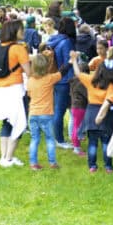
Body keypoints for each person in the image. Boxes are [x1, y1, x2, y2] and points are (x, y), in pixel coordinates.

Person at [0, 20, 31, 167]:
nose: (23, 31)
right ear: (14, 31)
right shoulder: (19, 49)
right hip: (15, 90)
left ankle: (4, 157)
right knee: (19, 123)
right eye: (21, 29)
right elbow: (29, 72)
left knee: (7, 123)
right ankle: (8, 157)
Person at [26, 53, 62, 170]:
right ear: (46, 66)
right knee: (50, 138)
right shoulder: (49, 78)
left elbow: (29, 95)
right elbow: (62, 72)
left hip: (33, 113)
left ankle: (33, 163)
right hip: (46, 113)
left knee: (34, 138)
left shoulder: (30, 80)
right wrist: (71, 62)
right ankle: (52, 162)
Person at [47, 17, 77, 150]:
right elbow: (68, 62)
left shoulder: (54, 40)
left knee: (56, 110)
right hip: (64, 80)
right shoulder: (67, 42)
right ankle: (59, 139)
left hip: (54, 77)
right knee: (60, 111)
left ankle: (56, 136)